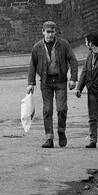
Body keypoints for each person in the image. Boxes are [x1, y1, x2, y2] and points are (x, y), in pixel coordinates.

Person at [26, 20, 77, 148]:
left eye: (52, 32)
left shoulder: (63, 44)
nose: (50, 35)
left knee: (61, 109)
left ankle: (61, 131)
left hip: (60, 81)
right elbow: (33, 64)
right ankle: (49, 138)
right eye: (47, 32)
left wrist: (73, 78)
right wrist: (31, 83)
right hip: (46, 82)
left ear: (55, 32)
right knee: (47, 110)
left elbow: (73, 60)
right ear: (43, 32)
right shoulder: (37, 47)